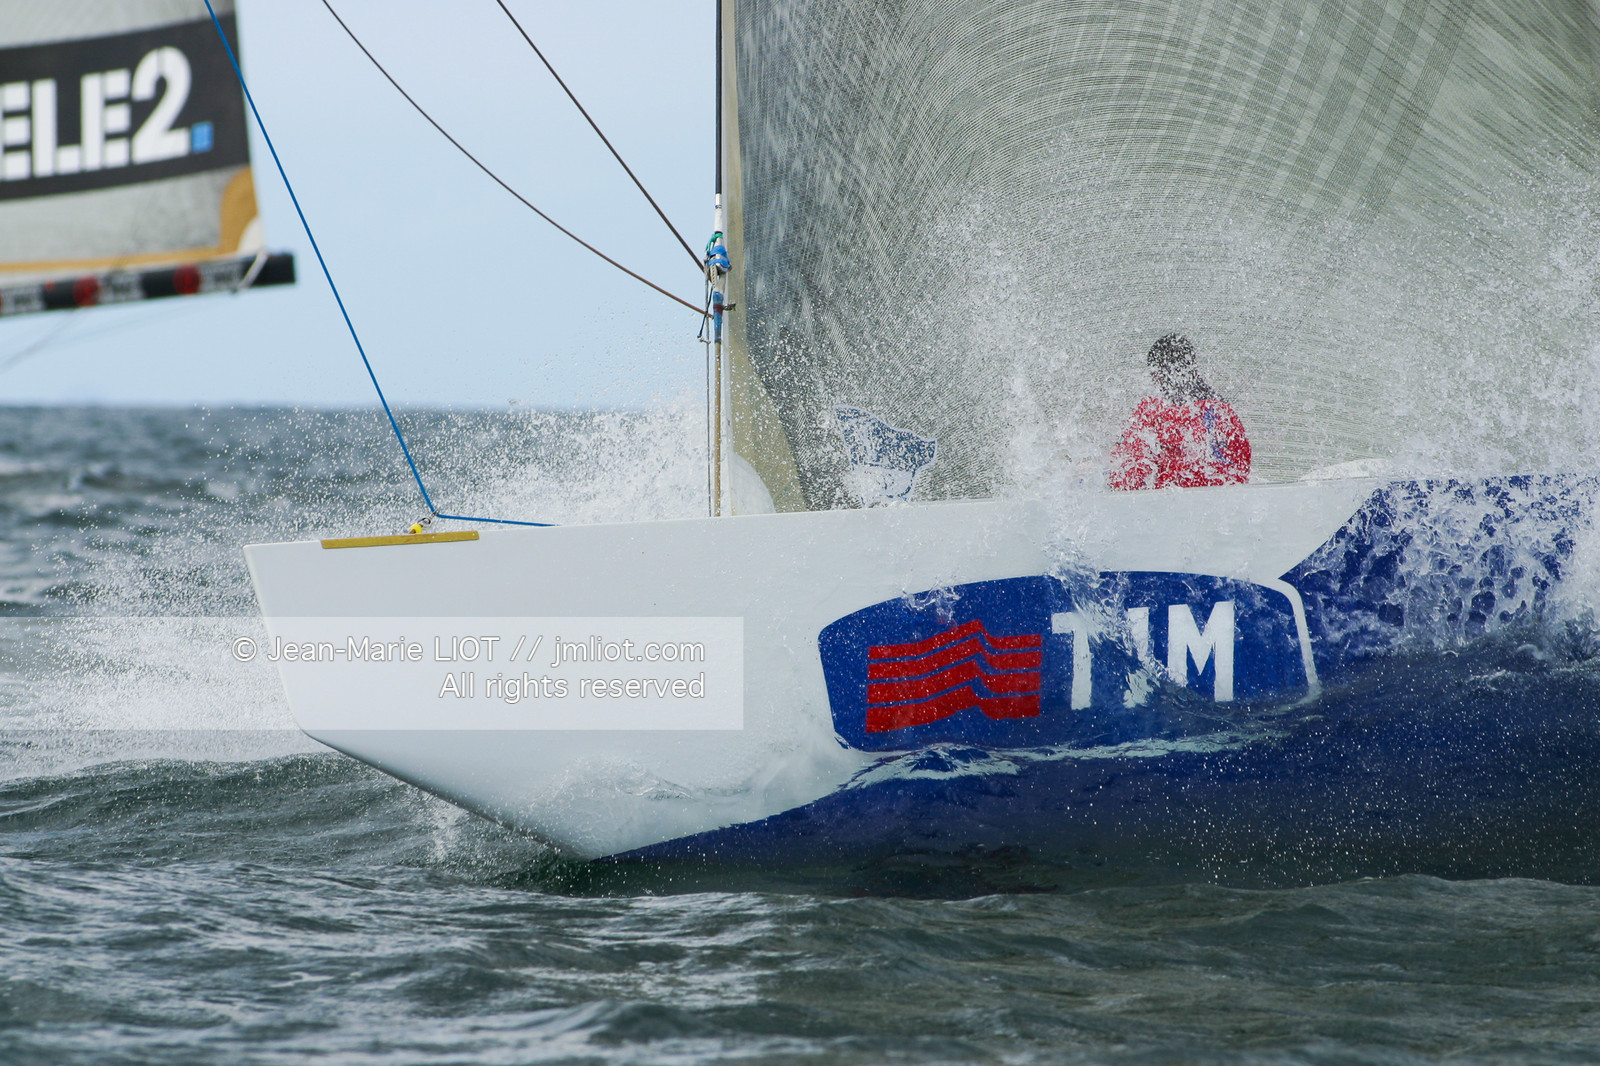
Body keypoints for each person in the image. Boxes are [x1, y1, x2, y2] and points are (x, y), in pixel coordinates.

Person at [1108, 333, 1251, 490]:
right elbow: (1241, 466)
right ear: (1193, 368)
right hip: (1225, 496)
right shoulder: (1224, 413)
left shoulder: (1154, 413)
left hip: (1174, 499)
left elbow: (1127, 476)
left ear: (1157, 374)